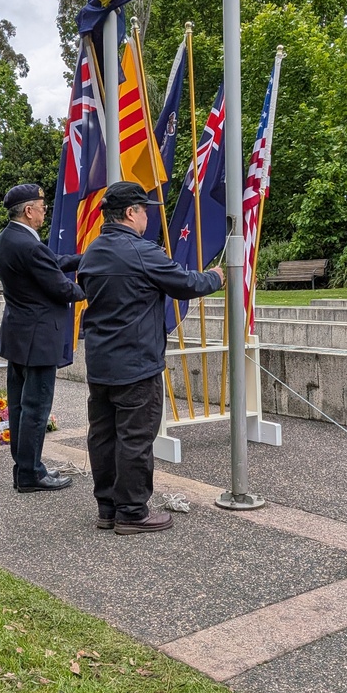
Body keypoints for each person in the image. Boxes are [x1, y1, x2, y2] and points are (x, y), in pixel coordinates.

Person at [78, 181, 224, 535]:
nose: (148, 216)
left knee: (103, 436)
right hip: (136, 362)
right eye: (144, 209)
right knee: (135, 438)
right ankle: (131, 513)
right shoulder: (141, 251)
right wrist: (216, 277)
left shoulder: (92, 251)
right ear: (131, 213)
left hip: (100, 361)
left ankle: (108, 509)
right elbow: (186, 284)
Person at [0, 183, 85, 493]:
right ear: (29, 211)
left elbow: (50, 262)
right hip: (39, 339)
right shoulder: (29, 245)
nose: (45, 212)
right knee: (36, 408)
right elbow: (61, 288)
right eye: (42, 208)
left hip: (19, 336)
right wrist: (94, 285)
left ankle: (24, 469)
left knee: (20, 407)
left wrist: (82, 258)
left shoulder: (8, 238)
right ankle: (31, 474)